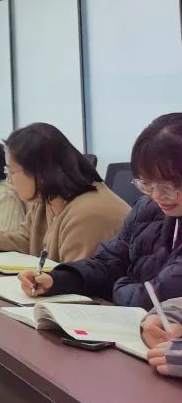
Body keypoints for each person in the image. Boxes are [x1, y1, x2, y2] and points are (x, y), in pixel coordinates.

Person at [16, 114, 182, 313]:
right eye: (147, 184)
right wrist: (57, 280)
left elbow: (152, 297)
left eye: (169, 187)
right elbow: (109, 261)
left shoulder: (88, 208)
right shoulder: (148, 208)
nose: (156, 195)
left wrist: (118, 286)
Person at [0, 123, 130, 262]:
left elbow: (77, 282)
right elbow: (25, 241)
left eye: (12, 172)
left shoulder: (88, 213)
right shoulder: (48, 200)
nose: (10, 180)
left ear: (40, 172)